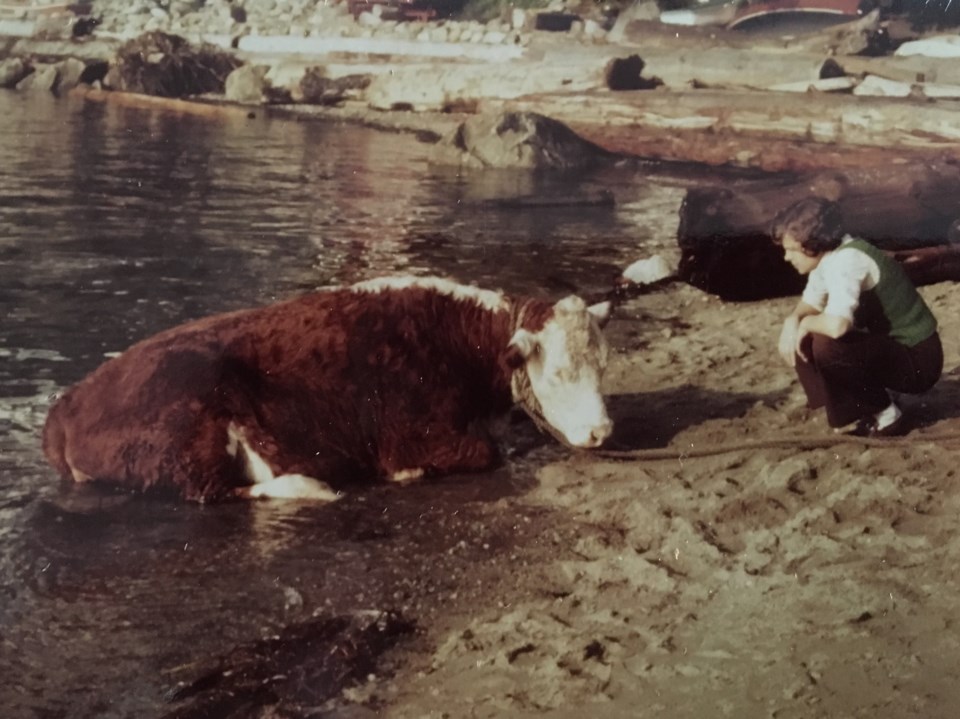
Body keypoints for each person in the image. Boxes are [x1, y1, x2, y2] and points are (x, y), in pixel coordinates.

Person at [771, 197, 943, 437]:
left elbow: (838, 326)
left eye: (790, 250)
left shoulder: (847, 261)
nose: (787, 258)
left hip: (919, 359)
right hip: (898, 349)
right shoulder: (828, 259)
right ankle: (859, 410)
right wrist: (793, 320)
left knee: (826, 343)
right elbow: (810, 302)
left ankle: (887, 416)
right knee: (809, 334)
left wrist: (807, 323)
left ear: (811, 244)